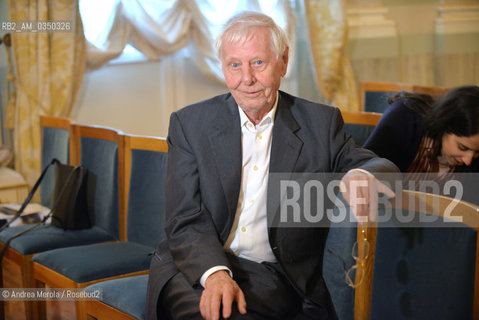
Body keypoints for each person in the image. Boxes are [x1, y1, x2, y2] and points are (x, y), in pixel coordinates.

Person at [146, 11, 398, 320]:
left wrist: (360, 174)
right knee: (207, 311)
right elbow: (184, 217)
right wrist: (215, 275)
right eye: (234, 65)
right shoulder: (190, 124)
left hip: (272, 276)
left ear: (283, 61)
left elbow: (375, 163)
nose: (247, 79)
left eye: (258, 63)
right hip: (196, 265)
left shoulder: (320, 123)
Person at [364, 85, 479, 175]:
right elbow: (365, 172)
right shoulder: (403, 118)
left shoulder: (472, 158)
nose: (468, 160)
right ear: (444, 124)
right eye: (462, 147)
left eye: (477, 152)